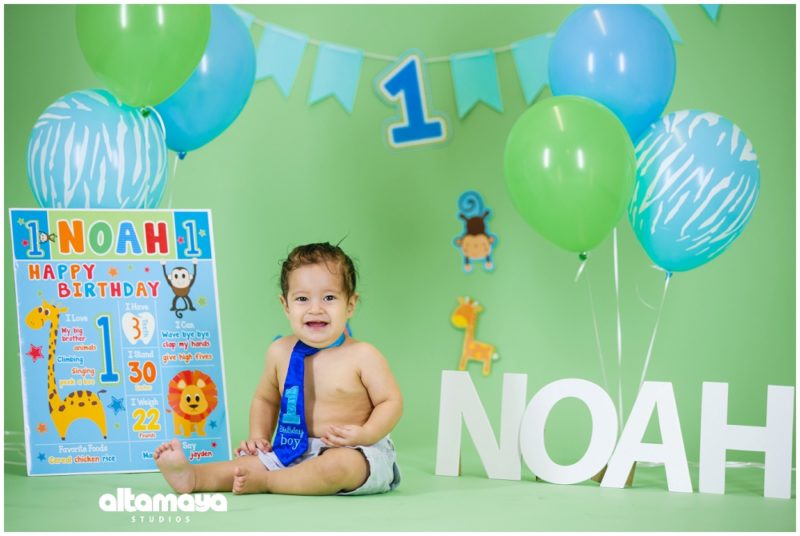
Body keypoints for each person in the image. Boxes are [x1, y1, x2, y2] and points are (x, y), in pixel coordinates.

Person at [153, 242, 403, 496]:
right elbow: (266, 399)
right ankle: (194, 477)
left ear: (350, 304)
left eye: (329, 298)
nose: (315, 309)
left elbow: (390, 401)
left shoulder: (362, 355)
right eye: (302, 299)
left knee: (337, 467)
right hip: (292, 447)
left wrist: (365, 433)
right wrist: (258, 437)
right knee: (244, 465)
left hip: (354, 449)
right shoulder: (280, 352)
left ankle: (268, 482)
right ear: (286, 305)